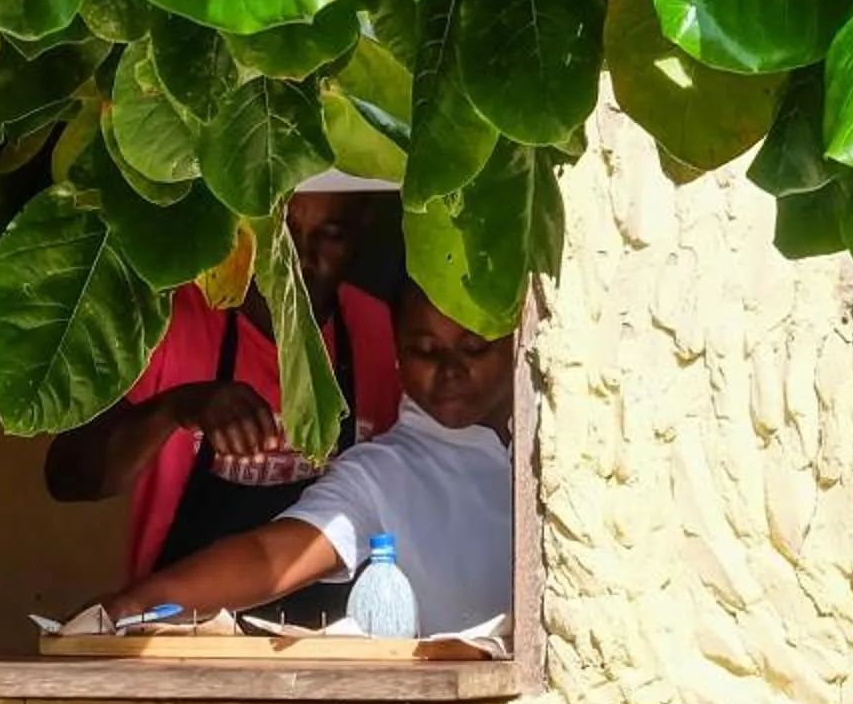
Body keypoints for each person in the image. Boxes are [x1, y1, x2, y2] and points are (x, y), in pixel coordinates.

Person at [43, 192, 401, 610]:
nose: (298, 260)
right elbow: (68, 478)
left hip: (331, 645)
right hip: (176, 634)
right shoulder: (172, 323)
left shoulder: (381, 334)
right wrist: (175, 408)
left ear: (363, 228)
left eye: (331, 236)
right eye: (279, 234)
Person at [95, 286, 516, 636]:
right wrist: (133, 605)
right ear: (398, 357)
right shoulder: (385, 472)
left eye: (475, 347)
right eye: (425, 351)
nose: (450, 370)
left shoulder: (565, 434)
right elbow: (269, 556)